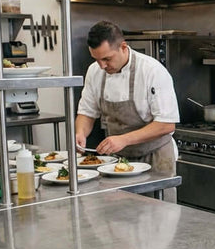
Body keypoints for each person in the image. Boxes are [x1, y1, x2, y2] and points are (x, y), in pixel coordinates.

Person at [75, 21, 179, 173]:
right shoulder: (94, 71)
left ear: (123, 47)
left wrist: (124, 139)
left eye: (107, 59)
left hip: (156, 157)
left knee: (155, 198)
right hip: (116, 160)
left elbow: (166, 124)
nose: (102, 66)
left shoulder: (152, 70)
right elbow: (87, 112)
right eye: (96, 60)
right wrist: (80, 133)